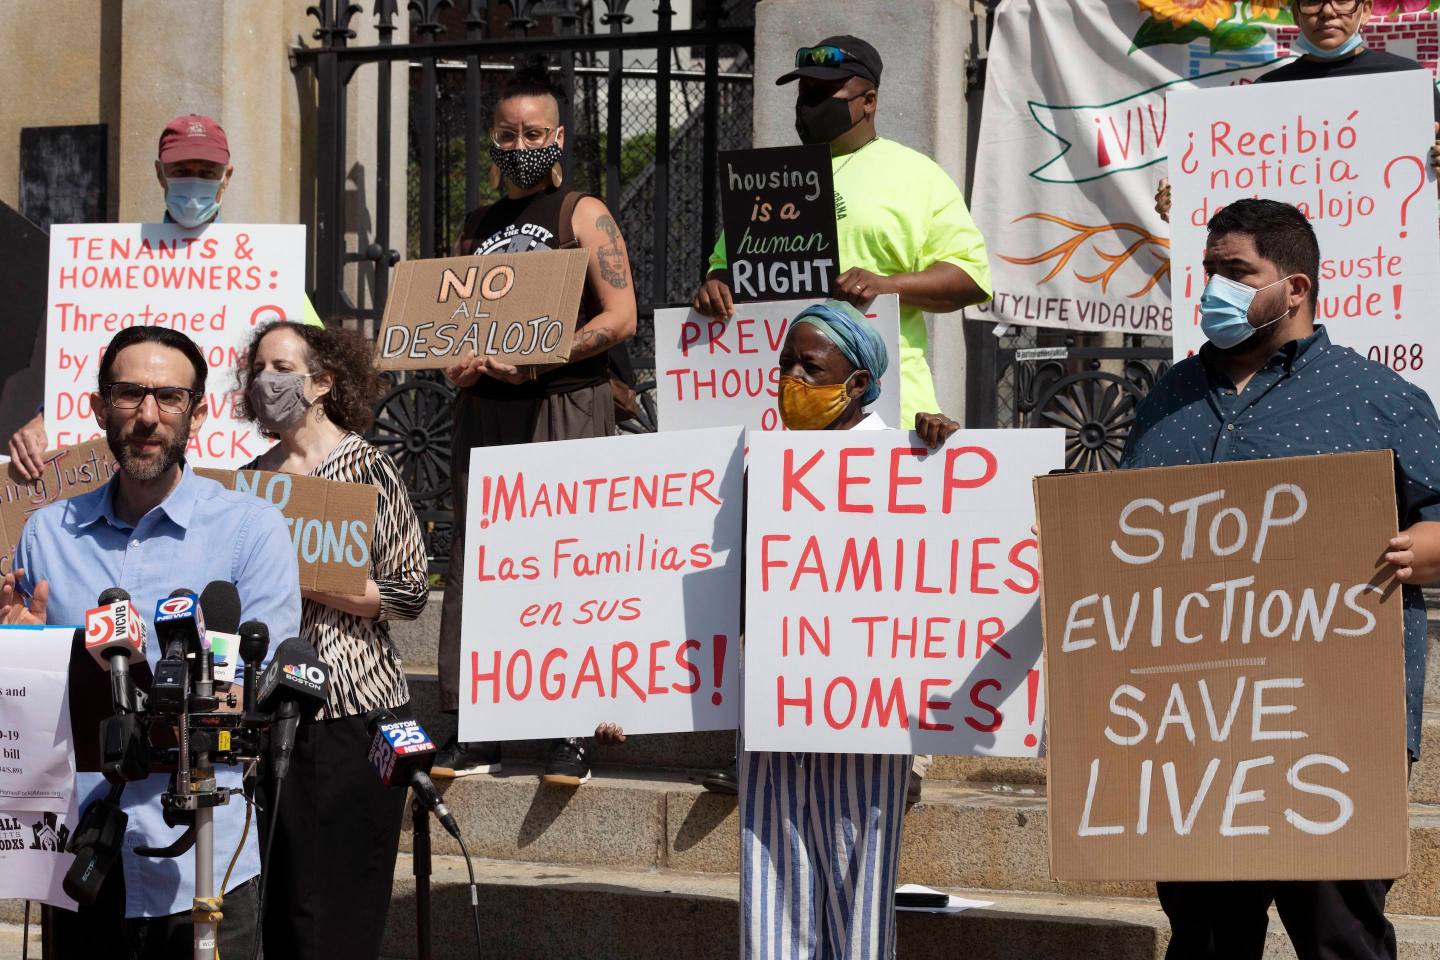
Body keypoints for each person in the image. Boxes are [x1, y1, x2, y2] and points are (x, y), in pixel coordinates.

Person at [1120, 198, 1440, 959]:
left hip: (1333, 726)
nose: (1213, 289)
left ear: (1294, 288)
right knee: (1204, 935)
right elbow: (1125, 529)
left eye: (1236, 272)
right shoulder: (1168, 396)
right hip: (1194, 722)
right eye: (1208, 271)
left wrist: (1434, 541)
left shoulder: (1381, 401)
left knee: (1340, 936)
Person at [0, 325, 301, 959]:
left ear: (196, 411)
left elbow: (262, 682)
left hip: (208, 852)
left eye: (168, 397)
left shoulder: (251, 531)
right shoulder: (47, 532)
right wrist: (20, 651)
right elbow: (22, 711)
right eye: (130, 394)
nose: (147, 416)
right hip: (82, 854)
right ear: (98, 406)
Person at [432, 58, 638, 785]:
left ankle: (570, 727)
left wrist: (542, 357)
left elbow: (620, 317)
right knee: (477, 561)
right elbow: (456, 328)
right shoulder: (473, 227)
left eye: (534, 133)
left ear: (558, 137)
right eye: (507, 133)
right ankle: (471, 720)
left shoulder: (583, 213)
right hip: (485, 408)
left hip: (566, 403)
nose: (520, 145)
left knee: (568, 559)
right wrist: (456, 362)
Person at [738, 300, 957, 960]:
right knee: (769, 874)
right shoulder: (759, 463)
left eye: (809, 366)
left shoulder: (906, 460)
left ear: (857, 383)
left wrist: (945, 455)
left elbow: (953, 567)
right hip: (776, 703)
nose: (791, 381)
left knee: (857, 883)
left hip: (866, 713)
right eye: (784, 365)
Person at [235, 320, 428, 960]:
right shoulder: (246, 481)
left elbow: (407, 592)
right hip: (270, 715)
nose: (268, 381)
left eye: (283, 368)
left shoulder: (368, 467)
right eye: (259, 368)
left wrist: (313, 582)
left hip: (355, 714)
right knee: (283, 899)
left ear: (321, 382)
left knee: (341, 900)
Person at [691, 34, 993, 426]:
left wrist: (886, 285)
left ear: (868, 101)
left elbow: (970, 278)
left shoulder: (917, 175)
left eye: (825, 93)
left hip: (881, 413)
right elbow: (727, 268)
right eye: (806, 93)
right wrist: (716, 285)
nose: (810, 105)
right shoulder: (769, 180)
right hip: (771, 411)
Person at [6, 112, 324, 479]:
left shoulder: (269, 269)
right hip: (134, 477)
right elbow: (83, 360)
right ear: (160, 173)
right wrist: (47, 420)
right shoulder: (111, 264)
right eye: (180, 170)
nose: (194, 183)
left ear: (227, 176)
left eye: (206, 172)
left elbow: (312, 371)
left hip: (232, 475)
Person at [1155, 0, 1440, 221]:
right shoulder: (1267, 91)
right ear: (1296, 14)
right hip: (1292, 270)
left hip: (1386, 265)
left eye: (1342, 0)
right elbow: (1244, 184)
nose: (1328, 11)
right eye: (1313, 1)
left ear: (1365, 10)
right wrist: (1188, 202)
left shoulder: (1408, 82)